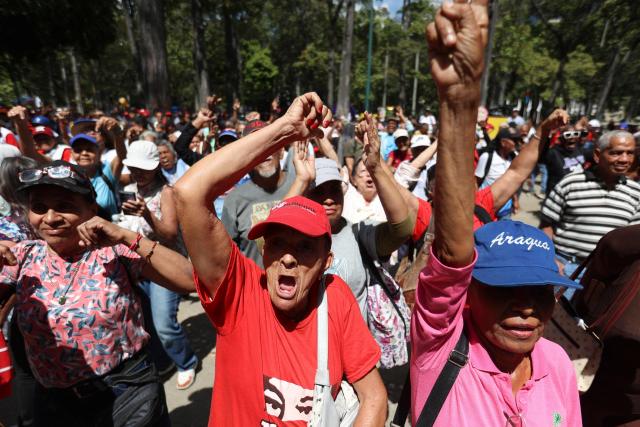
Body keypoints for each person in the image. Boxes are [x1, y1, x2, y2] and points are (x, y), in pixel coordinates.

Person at [409, 3, 582, 426]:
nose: (526, 307)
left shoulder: (556, 361)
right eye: (505, 287)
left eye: (541, 290)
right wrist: (459, 103)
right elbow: (451, 259)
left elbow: (521, 172)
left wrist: (541, 135)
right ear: (468, 295)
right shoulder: (442, 347)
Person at [174, 92, 387, 426]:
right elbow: (188, 193)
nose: (288, 258)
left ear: (326, 262)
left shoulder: (336, 299)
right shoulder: (240, 294)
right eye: (278, 244)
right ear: (264, 251)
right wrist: (285, 129)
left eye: (304, 248)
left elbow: (374, 397)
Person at [0, 161, 194, 426]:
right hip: (55, 404)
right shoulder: (20, 256)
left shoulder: (113, 250)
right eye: (39, 208)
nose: (50, 217)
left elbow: (189, 280)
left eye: (65, 206)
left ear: (91, 209)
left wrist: (128, 237)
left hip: (126, 393)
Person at [284, 117, 413, 321]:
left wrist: (376, 167)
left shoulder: (358, 233)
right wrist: (300, 180)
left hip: (352, 351)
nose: (328, 199)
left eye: (334, 190)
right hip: (304, 349)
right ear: (305, 194)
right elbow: (264, 242)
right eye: (319, 191)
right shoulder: (291, 236)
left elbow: (402, 229)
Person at [117, 140, 199, 390]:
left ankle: (186, 362)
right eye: (134, 167)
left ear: (155, 167)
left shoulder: (167, 192)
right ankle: (164, 361)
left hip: (165, 264)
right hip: (136, 264)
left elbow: (171, 234)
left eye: (143, 168)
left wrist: (147, 215)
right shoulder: (130, 188)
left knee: (164, 323)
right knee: (146, 321)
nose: (138, 173)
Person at [540, 130, 640, 278]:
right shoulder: (571, 183)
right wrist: (550, 259)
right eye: (616, 153)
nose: (624, 159)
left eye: (629, 153)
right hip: (563, 268)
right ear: (597, 155)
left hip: (605, 276)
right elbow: (546, 225)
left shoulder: (636, 193)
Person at [220, 124, 295, 266]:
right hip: (255, 286)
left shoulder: (301, 184)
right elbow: (227, 256)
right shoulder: (235, 200)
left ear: (280, 150)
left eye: (268, 144)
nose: (263, 153)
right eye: (255, 148)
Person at [544, 125, 585, 195]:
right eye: (568, 135)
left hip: (576, 194)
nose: (572, 137)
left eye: (575, 134)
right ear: (562, 138)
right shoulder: (553, 153)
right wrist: (549, 135)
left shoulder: (580, 150)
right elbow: (541, 155)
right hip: (557, 196)